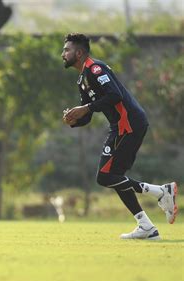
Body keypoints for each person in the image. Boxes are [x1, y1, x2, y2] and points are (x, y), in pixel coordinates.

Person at [61, 33, 178, 240]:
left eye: (67, 50)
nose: (63, 54)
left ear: (79, 53)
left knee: (106, 176)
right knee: (114, 176)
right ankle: (146, 226)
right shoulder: (82, 79)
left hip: (129, 123)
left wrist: (85, 107)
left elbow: (115, 95)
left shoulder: (96, 69)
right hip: (120, 127)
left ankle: (161, 192)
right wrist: (75, 120)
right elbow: (88, 115)